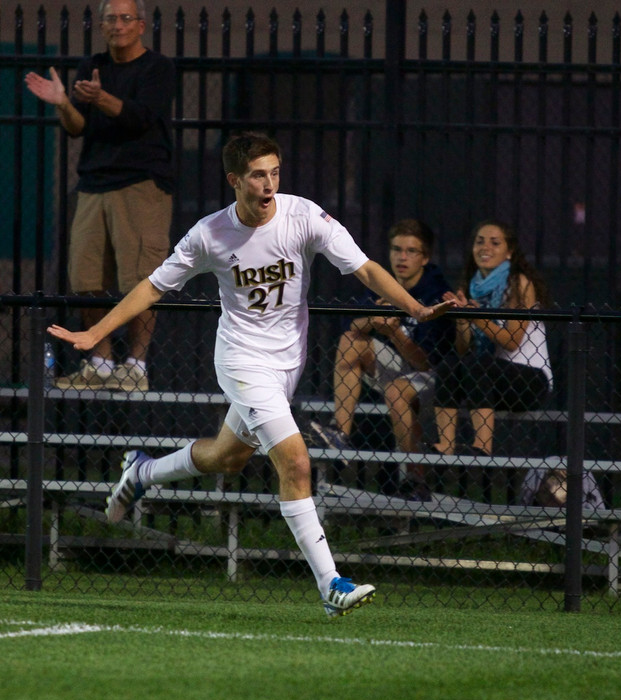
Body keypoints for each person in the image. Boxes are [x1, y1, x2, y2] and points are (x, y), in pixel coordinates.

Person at [48, 133, 455, 617]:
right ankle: (331, 584)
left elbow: (365, 268)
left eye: (275, 173)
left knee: (227, 457)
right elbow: (152, 287)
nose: (269, 185)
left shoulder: (304, 216)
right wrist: (96, 331)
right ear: (234, 180)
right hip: (242, 362)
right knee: (296, 462)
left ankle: (142, 471)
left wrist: (415, 308)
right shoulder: (209, 234)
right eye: (259, 175)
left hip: (287, 364)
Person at [25, 0, 175, 392]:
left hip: (141, 183)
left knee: (142, 279)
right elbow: (76, 127)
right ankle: (101, 362)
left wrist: (99, 97)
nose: (117, 25)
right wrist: (62, 104)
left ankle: (136, 366)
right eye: (110, 18)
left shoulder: (157, 68)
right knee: (86, 278)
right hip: (93, 184)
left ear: (141, 25)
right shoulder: (92, 65)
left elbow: (141, 116)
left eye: (126, 18)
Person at [307, 219, 454, 496]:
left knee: (400, 391)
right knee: (351, 341)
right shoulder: (383, 283)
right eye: (397, 249)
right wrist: (373, 321)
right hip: (392, 369)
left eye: (411, 251)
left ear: (425, 258)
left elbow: (427, 363)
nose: (402, 257)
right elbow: (352, 326)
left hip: (432, 379)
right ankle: (340, 432)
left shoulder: (435, 291)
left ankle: (416, 478)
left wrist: (395, 331)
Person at [431, 220, 552, 456]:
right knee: (449, 365)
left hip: (530, 379)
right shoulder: (471, 286)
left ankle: (482, 447)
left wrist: (476, 317)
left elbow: (511, 341)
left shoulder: (519, 283)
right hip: (487, 380)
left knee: (478, 365)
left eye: (495, 243)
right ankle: (445, 444)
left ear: (509, 252)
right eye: (479, 242)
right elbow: (464, 350)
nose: (485, 247)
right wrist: (463, 320)